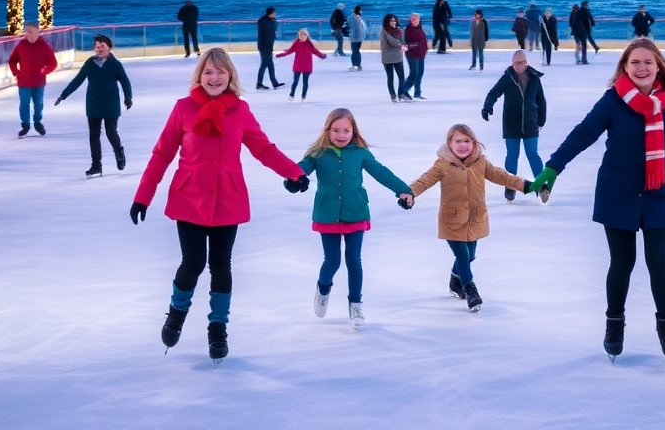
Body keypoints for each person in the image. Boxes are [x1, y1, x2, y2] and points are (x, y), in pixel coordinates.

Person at [540, 38, 665, 365]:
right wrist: (553, 167)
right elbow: (583, 134)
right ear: (625, 67)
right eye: (635, 62)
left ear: (658, 65)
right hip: (617, 191)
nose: (642, 67)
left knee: (659, 261)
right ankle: (614, 325)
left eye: (648, 62)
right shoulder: (612, 100)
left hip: (660, 191)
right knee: (622, 262)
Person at [130, 47, 305, 364]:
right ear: (199, 76)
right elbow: (162, 153)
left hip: (227, 199)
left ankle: (218, 328)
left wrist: (294, 172)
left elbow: (263, 149)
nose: (214, 78)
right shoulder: (183, 108)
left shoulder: (240, 110)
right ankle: (176, 314)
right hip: (190, 198)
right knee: (193, 263)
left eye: (220, 72)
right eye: (208, 72)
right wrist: (143, 195)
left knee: (221, 266)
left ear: (230, 76)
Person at [288, 108, 415, 330]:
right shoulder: (318, 154)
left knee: (354, 260)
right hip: (328, 214)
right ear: (327, 131)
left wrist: (403, 190)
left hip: (355, 211)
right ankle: (323, 289)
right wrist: (293, 180)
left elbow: (381, 173)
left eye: (346, 130)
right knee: (332, 261)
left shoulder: (360, 153)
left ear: (353, 131)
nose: (341, 135)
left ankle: (355, 304)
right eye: (336, 130)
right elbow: (298, 170)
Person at [408, 123, 536, 312]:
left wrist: (525, 185)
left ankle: (455, 280)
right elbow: (424, 180)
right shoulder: (443, 164)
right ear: (449, 143)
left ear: (473, 142)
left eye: (467, 141)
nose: (463, 145)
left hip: (475, 218)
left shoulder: (480, 162)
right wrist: (409, 193)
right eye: (458, 141)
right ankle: (470, 289)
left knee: (471, 255)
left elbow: (501, 176)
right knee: (462, 255)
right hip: (452, 219)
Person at [54, 34, 133, 177]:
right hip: (93, 103)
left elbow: (125, 81)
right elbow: (78, 80)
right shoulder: (90, 63)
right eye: (97, 46)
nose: (99, 49)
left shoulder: (115, 64)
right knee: (94, 136)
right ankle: (96, 165)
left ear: (109, 47)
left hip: (110, 103)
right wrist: (63, 95)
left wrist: (128, 97)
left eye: (102, 46)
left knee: (111, 132)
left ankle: (119, 152)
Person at [482, 50, 547, 203]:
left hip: (530, 124)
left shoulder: (535, 79)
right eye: (517, 63)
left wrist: (541, 120)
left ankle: (542, 186)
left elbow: (541, 101)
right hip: (511, 124)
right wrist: (487, 107)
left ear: (526, 63)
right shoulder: (507, 78)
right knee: (512, 156)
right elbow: (493, 93)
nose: (520, 65)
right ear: (512, 64)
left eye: (522, 62)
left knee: (533, 154)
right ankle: (510, 186)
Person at [8, 23, 57, 137]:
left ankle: (37, 122)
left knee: (38, 104)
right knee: (24, 103)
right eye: (26, 31)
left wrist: (45, 71)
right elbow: (12, 61)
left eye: (30, 31)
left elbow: (53, 63)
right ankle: (25, 125)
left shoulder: (44, 46)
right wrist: (16, 72)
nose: (27, 34)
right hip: (24, 82)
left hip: (38, 81)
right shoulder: (21, 45)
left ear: (37, 33)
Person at [276, 28, 327, 101]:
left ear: (307, 36)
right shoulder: (296, 43)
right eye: (300, 35)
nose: (301, 36)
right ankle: (291, 95)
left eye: (303, 35)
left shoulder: (309, 44)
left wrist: (323, 56)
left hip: (307, 66)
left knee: (305, 82)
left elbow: (316, 52)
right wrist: (278, 55)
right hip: (298, 65)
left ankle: (303, 96)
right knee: (295, 81)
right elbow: (289, 51)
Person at [379, 13, 410, 102]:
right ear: (387, 22)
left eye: (394, 20)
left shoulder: (399, 31)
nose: (393, 22)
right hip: (387, 58)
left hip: (398, 57)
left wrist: (405, 45)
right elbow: (391, 41)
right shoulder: (384, 31)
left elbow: (403, 41)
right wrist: (400, 45)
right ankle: (393, 95)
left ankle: (400, 94)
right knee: (390, 78)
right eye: (391, 21)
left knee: (401, 77)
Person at [400, 12, 429, 101]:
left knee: (420, 73)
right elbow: (408, 43)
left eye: (416, 19)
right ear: (410, 20)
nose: (415, 21)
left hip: (421, 54)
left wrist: (425, 47)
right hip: (412, 55)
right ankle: (403, 91)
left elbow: (423, 39)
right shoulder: (409, 29)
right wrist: (418, 44)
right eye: (413, 19)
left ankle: (417, 93)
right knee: (414, 74)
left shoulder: (419, 28)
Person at [255, 7, 284, 91]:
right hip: (266, 46)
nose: (275, 14)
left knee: (270, 65)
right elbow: (271, 32)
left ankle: (275, 83)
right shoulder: (269, 23)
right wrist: (275, 22)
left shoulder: (263, 20)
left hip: (263, 45)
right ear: (271, 14)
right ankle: (259, 84)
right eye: (274, 13)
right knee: (264, 65)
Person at [348, 5, 367, 71]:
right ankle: (357, 65)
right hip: (356, 38)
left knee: (355, 52)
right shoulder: (353, 17)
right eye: (360, 10)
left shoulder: (357, 17)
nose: (361, 11)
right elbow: (354, 28)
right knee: (356, 52)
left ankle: (356, 65)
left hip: (358, 38)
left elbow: (360, 28)